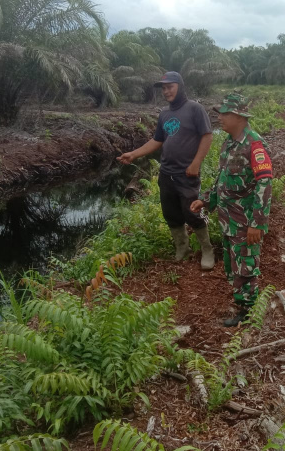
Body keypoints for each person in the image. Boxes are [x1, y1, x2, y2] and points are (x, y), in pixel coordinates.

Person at [189, 93, 273, 327]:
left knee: (246, 267)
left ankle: (248, 314)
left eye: (225, 113)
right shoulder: (229, 144)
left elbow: (264, 184)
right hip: (229, 220)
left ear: (238, 116)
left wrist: (257, 223)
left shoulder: (254, 145)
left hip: (245, 222)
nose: (220, 118)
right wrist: (206, 200)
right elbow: (222, 179)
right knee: (233, 265)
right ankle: (243, 305)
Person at [117, 71, 215, 270]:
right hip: (166, 173)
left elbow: (207, 136)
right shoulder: (164, 113)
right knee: (171, 214)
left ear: (180, 86)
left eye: (170, 86)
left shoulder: (195, 109)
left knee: (193, 212)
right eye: (163, 88)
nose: (166, 91)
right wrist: (134, 154)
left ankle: (207, 249)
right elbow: (157, 140)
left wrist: (196, 163)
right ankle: (183, 248)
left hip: (187, 174)